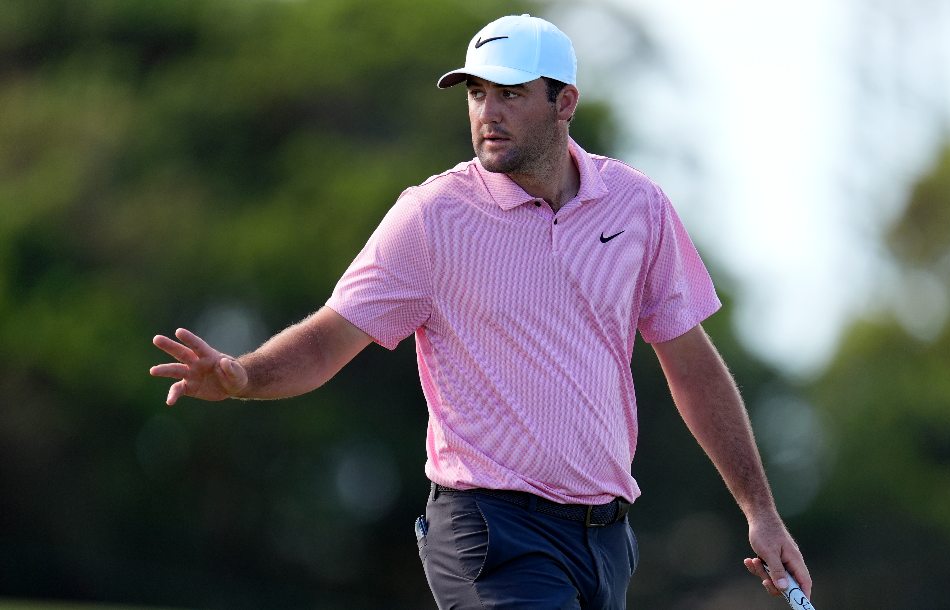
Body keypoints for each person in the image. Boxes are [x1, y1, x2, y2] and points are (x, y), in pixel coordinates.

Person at [150, 13, 811, 609]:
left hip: (605, 538)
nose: (487, 113)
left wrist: (761, 511)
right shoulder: (433, 217)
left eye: (511, 94)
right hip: (489, 529)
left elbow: (691, 365)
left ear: (565, 103)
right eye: (476, 94)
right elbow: (328, 341)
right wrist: (244, 374)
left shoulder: (636, 207)